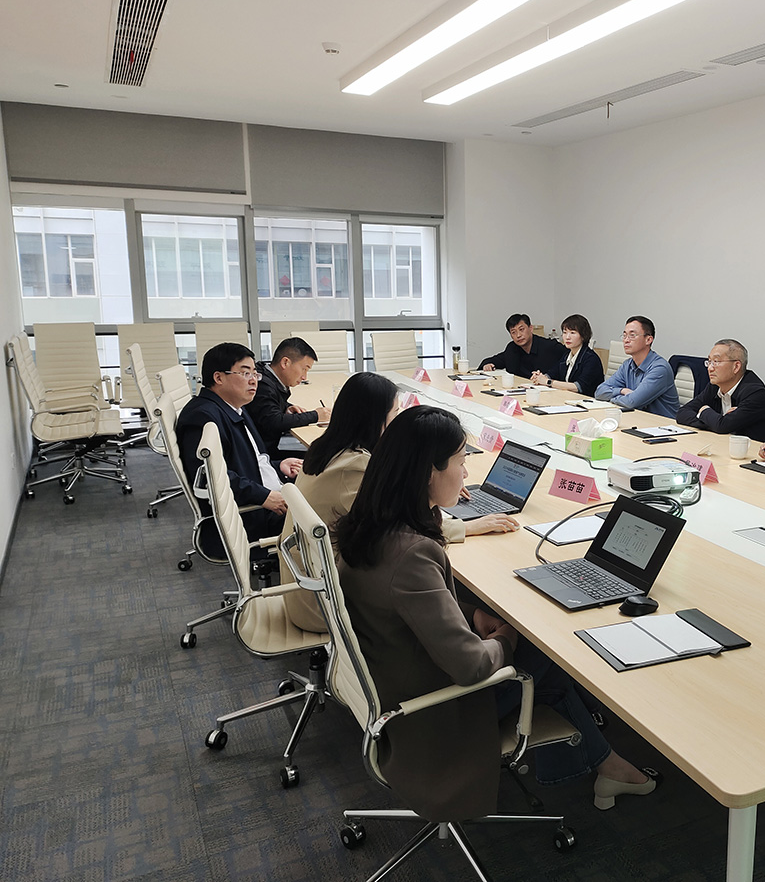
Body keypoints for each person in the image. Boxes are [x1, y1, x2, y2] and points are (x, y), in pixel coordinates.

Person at [336, 405, 656, 820]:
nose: (466, 472)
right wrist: (507, 636)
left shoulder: (372, 523)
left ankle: (605, 764)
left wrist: (472, 615)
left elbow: (403, 600)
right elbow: (470, 666)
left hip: (392, 677)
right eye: (461, 461)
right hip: (433, 710)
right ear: (429, 472)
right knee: (548, 650)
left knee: (545, 665)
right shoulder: (413, 553)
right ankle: (604, 764)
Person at [279, 372, 519, 633]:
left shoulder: (327, 448)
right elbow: (397, 529)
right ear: (374, 419)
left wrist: (443, 481)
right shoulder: (354, 468)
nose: (397, 422)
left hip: (307, 587)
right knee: (427, 578)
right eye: (394, 413)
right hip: (323, 606)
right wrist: (469, 526)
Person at [176, 342, 302, 557]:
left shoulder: (232, 407)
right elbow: (211, 478)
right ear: (218, 378)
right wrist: (264, 496)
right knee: (331, 511)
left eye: (255, 373)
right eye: (245, 373)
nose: (254, 380)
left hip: (265, 495)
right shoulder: (203, 418)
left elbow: (247, 460)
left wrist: (277, 465)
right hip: (252, 516)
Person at [676, 339, 765, 442]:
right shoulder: (715, 386)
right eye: (709, 361)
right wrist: (714, 422)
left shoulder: (755, 393)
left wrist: (704, 411)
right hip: (730, 446)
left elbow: (723, 427)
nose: (710, 368)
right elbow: (682, 413)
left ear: (736, 367)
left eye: (716, 361)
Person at [245, 336, 331, 458]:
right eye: (304, 369)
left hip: (265, 449)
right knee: (320, 458)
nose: (304, 377)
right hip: (263, 457)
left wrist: (286, 407)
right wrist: (316, 415)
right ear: (285, 362)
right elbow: (274, 422)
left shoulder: (267, 376)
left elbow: (269, 408)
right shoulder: (262, 385)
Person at [593, 315, 680, 418]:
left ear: (648, 340)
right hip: (638, 418)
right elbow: (599, 392)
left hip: (662, 424)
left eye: (632, 335)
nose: (626, 340)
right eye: (624, 335)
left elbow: (632, 402)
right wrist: (622, 391)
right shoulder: (627, 365)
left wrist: (612, 399)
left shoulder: (660, 368)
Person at [529, 313, 604, 397]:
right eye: (565, 332)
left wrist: (548, 382)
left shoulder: (591, 359)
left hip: (587, 401)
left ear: (583, 336)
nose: (567, 337)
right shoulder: (567, 354)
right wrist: (540, 377)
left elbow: (578, 387)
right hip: (568, 398)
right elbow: (553, 373)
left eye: (572, 333)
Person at [478, 313, 567, 378]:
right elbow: (493, 360)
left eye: (521, 329)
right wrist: (487, 365)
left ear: (530, 328)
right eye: (513, 332)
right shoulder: (512, 348)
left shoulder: (549, 346)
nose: (518, 335)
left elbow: (569, 356)